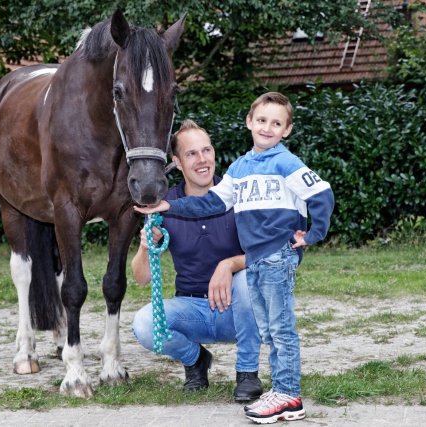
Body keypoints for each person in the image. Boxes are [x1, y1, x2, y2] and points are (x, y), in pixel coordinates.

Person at [134, 92, 334, 424]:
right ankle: (266, 385)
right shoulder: (240, 171)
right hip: (225, 285)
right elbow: (210, 204)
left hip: (264, 273)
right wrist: (163, 215)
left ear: (287, 130)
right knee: (272, 330)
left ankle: (277, 389)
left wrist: (313, 233)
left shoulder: (278, 165)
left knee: (279, 327)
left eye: (276, 123)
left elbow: (320, 193)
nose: (267, 128)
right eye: (261, 120)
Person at [131, 119, 263, 402]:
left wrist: (228, 265)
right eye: (192, 154)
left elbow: (265, 255)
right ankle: (196, 361)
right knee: (143, 324)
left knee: (247, 282)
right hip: (193, 310)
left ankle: (247, 373)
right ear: (177, 162)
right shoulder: (167, 204)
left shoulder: (238, 194)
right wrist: (145, 247)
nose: (202, 160)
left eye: (206, 150)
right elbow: (142, 278)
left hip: (239, 311)